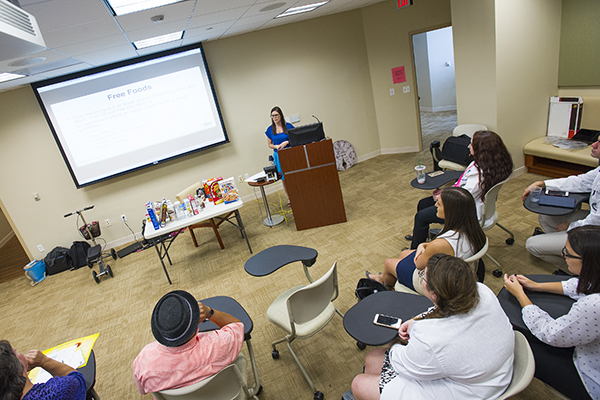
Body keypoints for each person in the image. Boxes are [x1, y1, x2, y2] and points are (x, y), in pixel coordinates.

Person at [352, 255, 514, 400]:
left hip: (471, 390)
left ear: (434, 294)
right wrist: (419, 319)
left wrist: (394, 344)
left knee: (360, 382)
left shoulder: (432, 338)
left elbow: (403, 362)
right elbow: (442, 309)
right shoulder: (481, 290)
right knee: (372, 360)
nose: (421, 277)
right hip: (493, 370)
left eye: (423, 275)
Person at [503, 225, 600, 400]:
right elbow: (585, 285)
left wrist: (520, 295)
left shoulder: (593, 306)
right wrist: (537, 286)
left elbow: (550, 333)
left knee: (517, 343)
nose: (564, 256)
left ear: (586, 261)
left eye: (567, 253)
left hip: (592, 377)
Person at [407, 130, 513, 249]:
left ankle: (414, 251)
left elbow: (464, 196)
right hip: (476, 202)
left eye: (471, 144)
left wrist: (444, 195)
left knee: (421, 216)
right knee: (423, 203)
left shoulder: (479, 173)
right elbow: (465, 187)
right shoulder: (495, 164)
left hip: (464, 210)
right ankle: (420, 235)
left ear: (481, 149)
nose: (468, 146)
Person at [368, 186, 486, 293]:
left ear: (450, 211)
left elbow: (419, 264)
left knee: (388, 263)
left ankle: (386, 287)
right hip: (456, 273)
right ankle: (384, 278)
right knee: (404, 253)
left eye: (439, 204)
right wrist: (424, 246)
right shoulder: (474, 230)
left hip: (437, 284)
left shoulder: (441, 243)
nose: (435, 206)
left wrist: (421, 246)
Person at [133, 290, 244, 395]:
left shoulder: (143, 361)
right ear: (196, 324)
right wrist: (210, 312)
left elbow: (142, 390)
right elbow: (238, 326)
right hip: (223, 394)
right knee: (240, 357)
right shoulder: (219, 344)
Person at [522, 138, 600, 267]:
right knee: (546, 218)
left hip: (595, 231)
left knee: (532, 245)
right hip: (594, 222)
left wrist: (570, 226)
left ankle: (587, 274)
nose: (593, 145)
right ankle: (575, 255)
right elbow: (580, 182)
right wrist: (543, 184)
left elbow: (596, 221)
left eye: (599, 143)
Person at [0, 339, 86, 400]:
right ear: (18, 371)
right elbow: (77, 380)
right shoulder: (56, 391)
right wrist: (44, 361)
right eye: (15, 353)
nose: (17, 351)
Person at [265, 106, 294, 206]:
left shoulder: (289, 126)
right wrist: (276, 146)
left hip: (290, 153)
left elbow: (295, 138)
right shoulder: (270, 129)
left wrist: (286, 142)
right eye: (272, 116)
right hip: (278, 155)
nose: (274, 117)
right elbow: (269, 144)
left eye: (276, 115)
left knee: (293, 175)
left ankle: (297, 194)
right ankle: (290, 198)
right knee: (284, 178)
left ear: (280, 115)